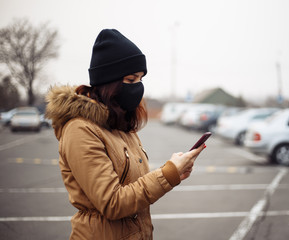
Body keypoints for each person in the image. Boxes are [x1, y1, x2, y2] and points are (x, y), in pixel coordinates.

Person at [45, 29, 206, 239]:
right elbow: (113, 203)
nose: (138, 87)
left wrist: (174, 171)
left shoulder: (121, 125)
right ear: (108, 82)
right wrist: (167, 174)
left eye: (140, 79)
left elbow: (133, 186)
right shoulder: (80, 130)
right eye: (131, 80)